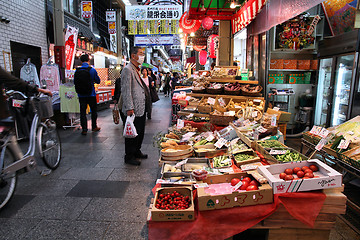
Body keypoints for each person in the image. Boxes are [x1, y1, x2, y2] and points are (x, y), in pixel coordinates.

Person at [120, 47, 151, 166]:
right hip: (132, 108)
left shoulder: (136, 69)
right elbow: (126, 90)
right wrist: (129, 108)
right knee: (131, 133)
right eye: (141, 54)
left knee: (140, 131)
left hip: (140, 107)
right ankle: (129, 156)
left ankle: (137, 151)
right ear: (133, 56)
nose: (143, 56)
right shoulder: (127, 70)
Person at [74, 54, 101, 136]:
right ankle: (94, 127)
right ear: (88, 60)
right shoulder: (92, 70)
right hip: (91, 94)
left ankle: (84, 129)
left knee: (82, 112)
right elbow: (98, 81)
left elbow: (75, 82)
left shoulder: (77, 71)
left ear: (81, 61)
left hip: (81, 95)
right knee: (93, 111)